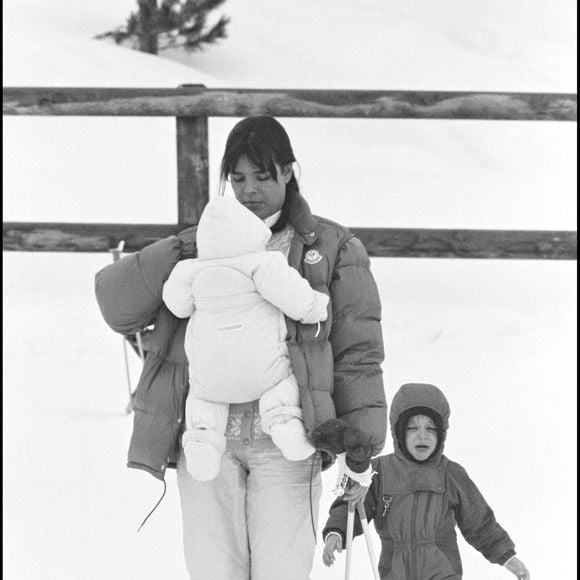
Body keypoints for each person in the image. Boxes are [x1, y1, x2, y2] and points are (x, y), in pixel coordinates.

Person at [94, 114, 387, 580]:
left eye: (262, 176)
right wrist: (182, 246)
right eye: (238, 178)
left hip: (288, 436)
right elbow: (116, 305)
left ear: (289, 172)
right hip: (207, 434)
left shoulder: (331, 246)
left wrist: (362, 446)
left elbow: (358, 352)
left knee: (282, 572)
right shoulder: (199, 247)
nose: (249, 190)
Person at [162, 195, 329, 481]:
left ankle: (203, 439)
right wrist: (318, 305)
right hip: (262, 372)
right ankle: (284, 421)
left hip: (211, 376)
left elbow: (175, 304)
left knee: (202, 397)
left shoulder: (190, 270)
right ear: (251, 232)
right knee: (285, 379)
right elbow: (297, 300)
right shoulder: (262, 264)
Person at [322, 383, 531, 580]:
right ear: (398, 432)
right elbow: (351, 506)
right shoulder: (379, 472)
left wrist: (506, 556)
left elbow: (479, 522)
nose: (422, 436)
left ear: (441, 434)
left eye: (431, 429)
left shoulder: (450, 474)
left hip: (442, 572)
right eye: (412, 428)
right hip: (395, 573)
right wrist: (336, 532)